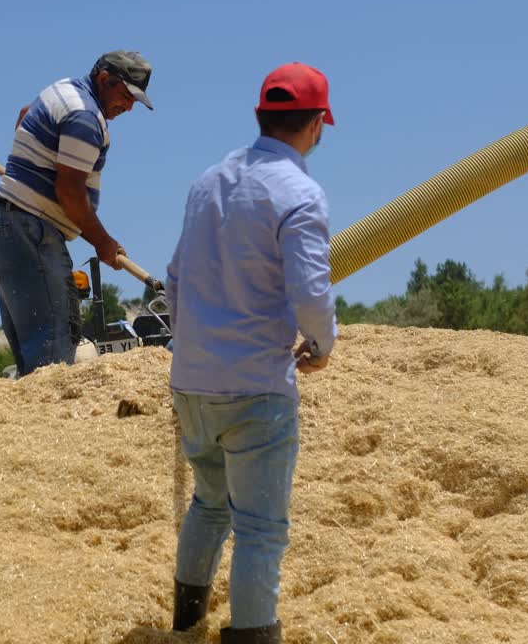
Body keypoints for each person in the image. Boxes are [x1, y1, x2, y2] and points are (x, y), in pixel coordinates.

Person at [164, 62, 337, 643]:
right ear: (315, 124)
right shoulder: (299, 191)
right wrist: (320, 344)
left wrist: (191, 344)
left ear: (263, 116)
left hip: (191, 380)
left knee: (209, 505)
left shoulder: (207, 181)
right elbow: (311, 291)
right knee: (260, 530)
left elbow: (175, 277)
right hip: (255, 386)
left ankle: (185, 625)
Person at [0, 50, 153, 377]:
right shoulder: (86, 118)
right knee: (52, 353)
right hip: (33, 230)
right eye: (126, 96)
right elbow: (70, 192)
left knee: (33, 350)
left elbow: (25, 113)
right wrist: (103, 242)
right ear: (104, 79)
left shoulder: (63, 90)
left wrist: (30, 164)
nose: (130, 106)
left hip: (9, 223)